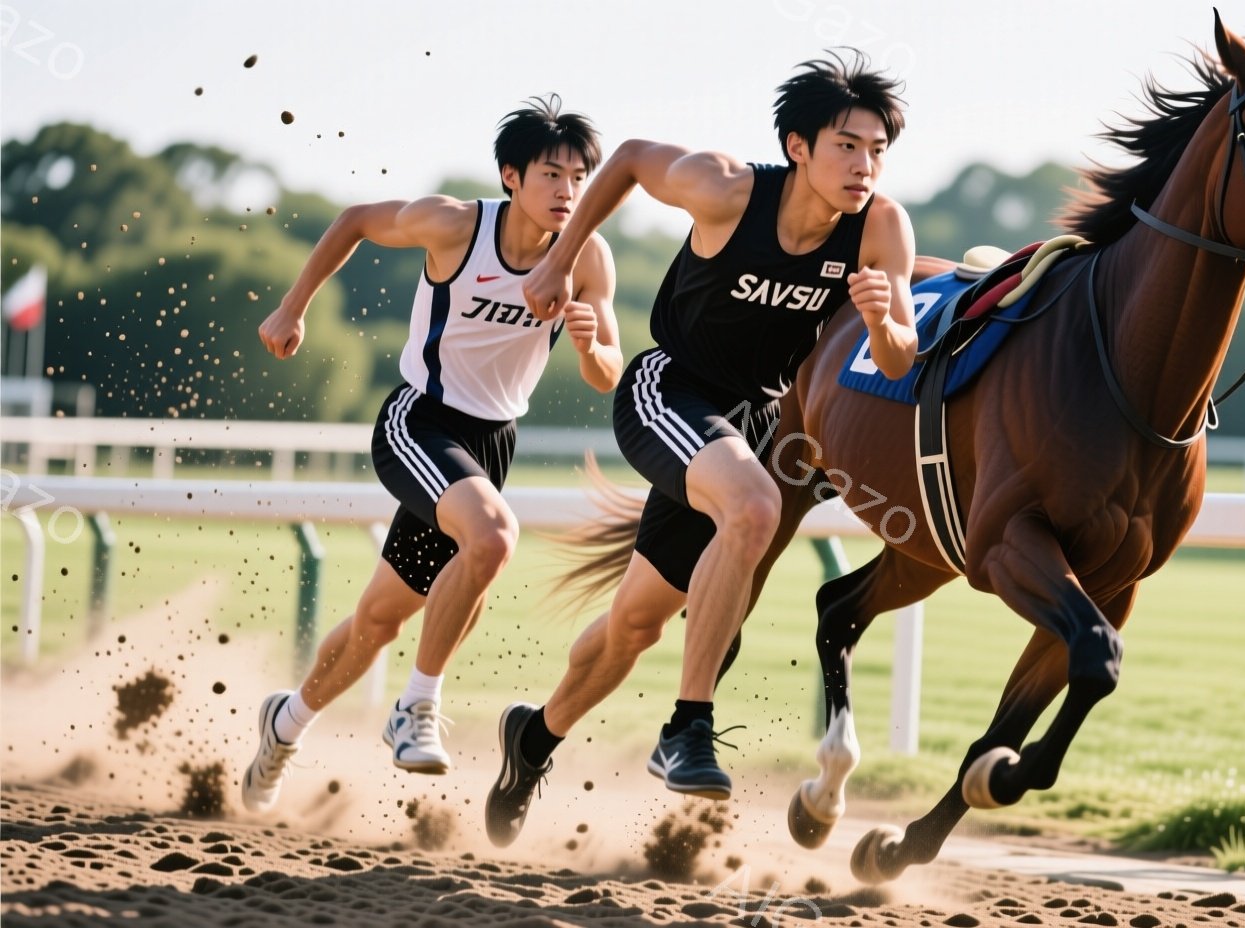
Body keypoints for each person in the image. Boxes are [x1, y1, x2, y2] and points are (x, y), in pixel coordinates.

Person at [484, 50, 918, 847]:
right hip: (669, 390)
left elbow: (898, 358)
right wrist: (558, 258)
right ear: (798, 147)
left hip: (749, 423)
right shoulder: (725, 189)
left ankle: (533, 737)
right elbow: (626, 162)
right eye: (846, 146)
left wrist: (886, 317)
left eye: (877, 150)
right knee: (753, 508)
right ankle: (688, 725)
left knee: (635, 627)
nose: (865, 166)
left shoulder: (881, 226)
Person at [241, 95, 621, 812]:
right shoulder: (455, 225)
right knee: (494, 536)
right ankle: (416, 707)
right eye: (552, 174)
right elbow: (354, 220)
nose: (568, 191)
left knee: (380, 621)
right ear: (512, 176)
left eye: (579, 177)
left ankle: (284, 724)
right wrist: (291, 308)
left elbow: (608, 372)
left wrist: (589, 342)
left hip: (490, 443)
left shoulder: (589, 255)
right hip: (419, 421)